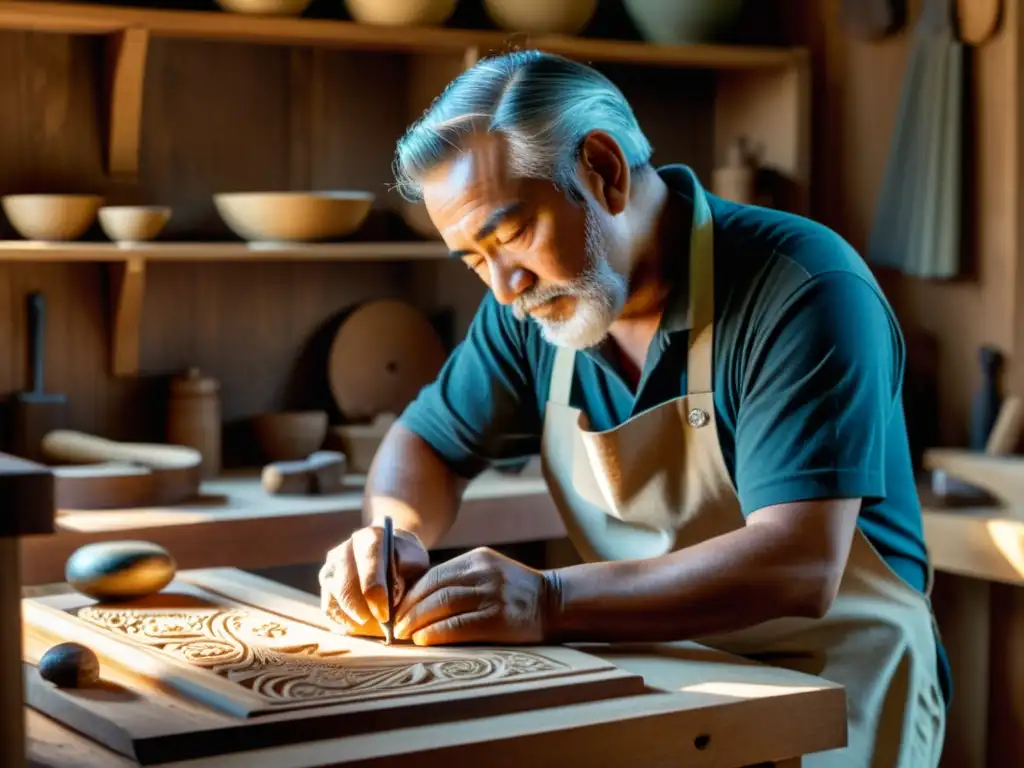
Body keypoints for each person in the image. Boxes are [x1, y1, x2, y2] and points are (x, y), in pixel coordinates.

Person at [319, 50, 949, 766]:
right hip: (664, 675)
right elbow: (425, 445)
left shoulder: (802, 288)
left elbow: (799, 565)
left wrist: (548, 600)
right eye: (473, 261)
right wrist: (391, 537)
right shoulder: (530, 314)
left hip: (840, 686)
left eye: (511, 235)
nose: (502, 287)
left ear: (604, 170)